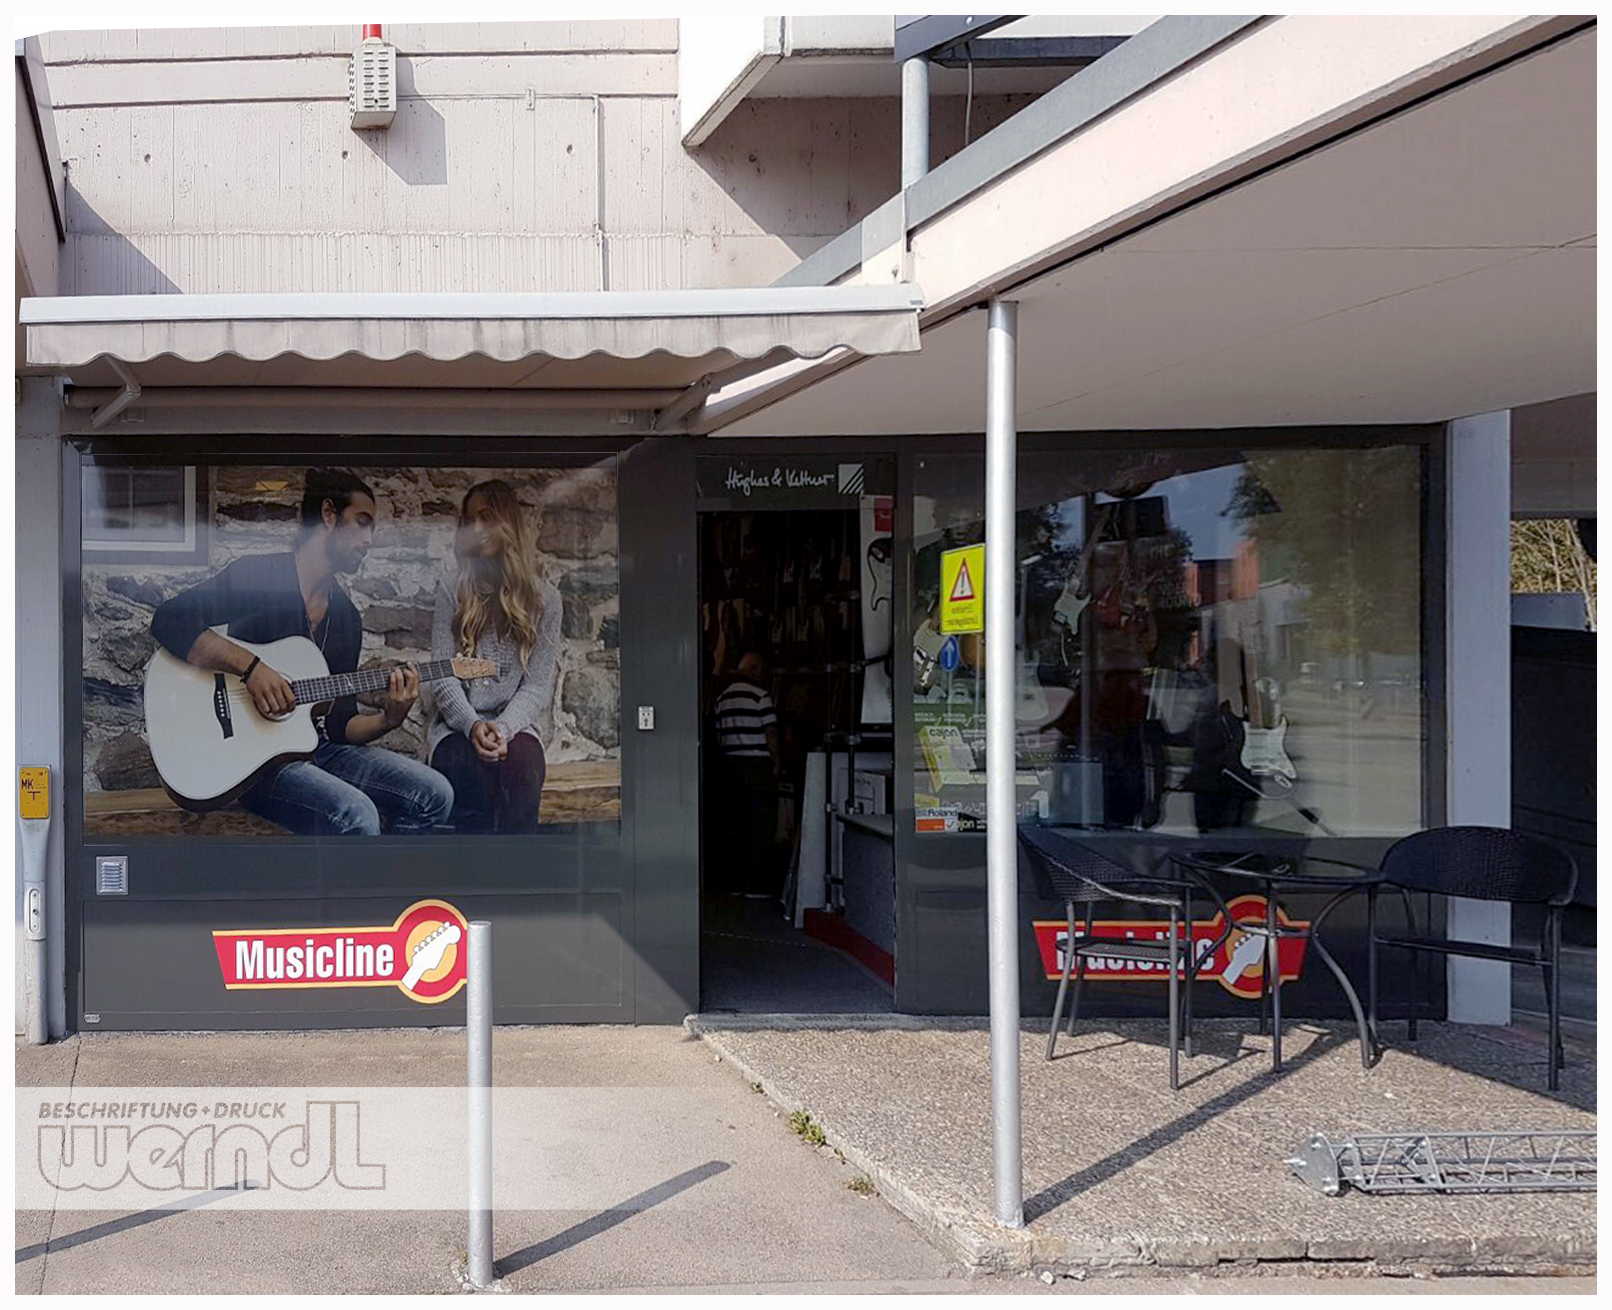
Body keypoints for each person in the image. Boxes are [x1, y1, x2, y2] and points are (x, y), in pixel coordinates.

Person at [150, 468, 454, 836]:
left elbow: (340, 725)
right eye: (362, 523)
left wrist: (389, 719)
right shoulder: (259, 578)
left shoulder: (346, 618)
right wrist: (252, 668)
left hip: (316, 748)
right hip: (253, 763)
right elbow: (170, 619)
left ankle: (385, 890)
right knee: (357, 815)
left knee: (435, 793)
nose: (370, 539)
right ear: (329, 516)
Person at [426, 480, 561, 833]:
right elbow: (442, 674)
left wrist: (502, 729)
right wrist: (473, 725)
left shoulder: (545, 600)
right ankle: (470, 882)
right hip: (457, 727)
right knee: (465, 773)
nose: (477, 530)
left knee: (523, 772)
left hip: (515, 726)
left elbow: (536, 686)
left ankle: (516, 880)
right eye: (470, 521)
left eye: (487, 518)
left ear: (508, 523)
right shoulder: (451, 588)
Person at [713, 651, 782, 897]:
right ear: (755, 670)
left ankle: (734, 883)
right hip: (757, 767)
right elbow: (770, 733)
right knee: (760, 824)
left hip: (731, 765)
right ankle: (757, 885)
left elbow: (719, 736)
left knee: (735, 823)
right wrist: (777, 761)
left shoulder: (721, 699)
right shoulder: (761, 697)